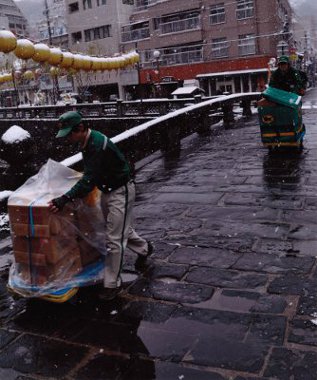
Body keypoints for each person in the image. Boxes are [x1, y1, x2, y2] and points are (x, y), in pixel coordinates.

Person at [48, 111, 153, 300]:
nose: (68, 139)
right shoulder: (87, 142)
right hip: (108, 189)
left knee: (114, 239)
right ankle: (145, 249)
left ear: (80, 128)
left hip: (121, 190)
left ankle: (112, 284)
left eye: (69, 134)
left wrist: (64, 198)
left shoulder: (95, 144)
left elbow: (88, 181)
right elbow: (90, 174)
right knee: (119, 230)